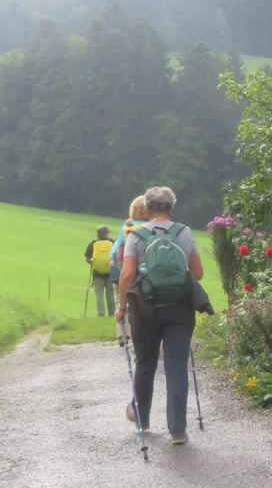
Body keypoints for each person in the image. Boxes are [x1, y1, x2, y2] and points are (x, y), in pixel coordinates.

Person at [115, 185, 203, 446]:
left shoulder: (136, 235)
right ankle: (178, 430)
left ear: (147, 208)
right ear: (171, 207)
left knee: (145, 364)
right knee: (176, 367)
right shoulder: (184, 232)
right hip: (180, 309)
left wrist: (121, 306)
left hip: (145, 310)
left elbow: (128, 274)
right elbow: (197, 273)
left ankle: (142, 419)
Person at [110, 196, 151, 344]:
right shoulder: (155, 226)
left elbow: (120, 254)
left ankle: (129, 338)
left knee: (130, 306)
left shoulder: (127, 229)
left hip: (132, 273)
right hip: (151, 273)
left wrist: (124, 273)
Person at [83, 225, 115, 316]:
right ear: (108, 233)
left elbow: (87, 259)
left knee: (99, 296)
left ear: (97, 234)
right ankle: (112, 314)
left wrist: (95, 264)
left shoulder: (93, 243)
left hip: (97, 274)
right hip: (111, 273)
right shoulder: (113, 242)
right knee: (111, 295)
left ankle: (101, 314)